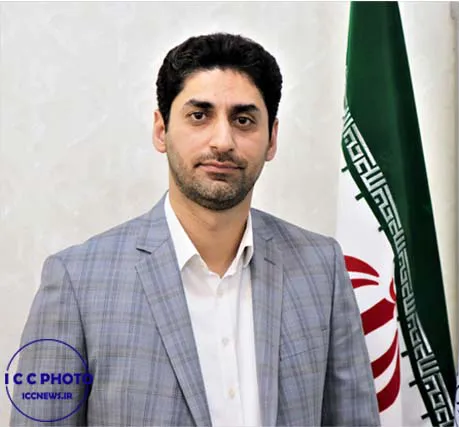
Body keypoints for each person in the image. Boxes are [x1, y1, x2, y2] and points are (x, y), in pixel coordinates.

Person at [11, 33, 380, 426]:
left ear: (272, 139)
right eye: (199, 116)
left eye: (243, 120)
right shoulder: (76, 281)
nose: (222, 141)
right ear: (161, 130)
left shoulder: (321, 269)